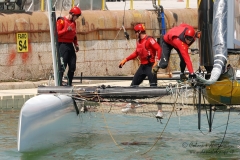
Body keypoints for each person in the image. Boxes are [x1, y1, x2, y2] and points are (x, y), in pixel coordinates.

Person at [118, 23, 163, 118]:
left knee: (154, 88)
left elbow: (159, 49)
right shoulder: (138, 41)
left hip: (150, 66)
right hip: (142, 67)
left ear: (139, 32)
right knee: (133, 85)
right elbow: (136, 53)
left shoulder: (149, 40)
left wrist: (156, 61)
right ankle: (132, 106)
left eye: (135, 32)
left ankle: (160, 110)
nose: (135, 34)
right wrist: (125, 60)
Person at [56, 6, 81, 86]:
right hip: (63, 45)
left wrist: (76, 44)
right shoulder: (61, 21)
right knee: (63, 65)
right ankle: (59, 83)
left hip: (70, 45)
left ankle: (69, 83)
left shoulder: (73, 23)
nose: (76, 18)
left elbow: (74, 35)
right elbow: (56, 33)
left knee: (72, 65)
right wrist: (66, 30)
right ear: (72, 14)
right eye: (76, 16)